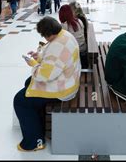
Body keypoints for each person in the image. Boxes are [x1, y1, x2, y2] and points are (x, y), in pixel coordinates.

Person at [13, 17, 81, 151]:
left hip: (63, 88)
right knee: (28, 83)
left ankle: (35, 142)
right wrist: (39, 56)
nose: (44, 38)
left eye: (44, 35)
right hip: (70, 78)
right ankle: (37, 125)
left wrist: (33, 64)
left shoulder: (57, 46)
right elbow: (53, 57)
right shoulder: (64, 34)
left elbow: (44, 76)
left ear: (48, 34)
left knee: (20, 101)